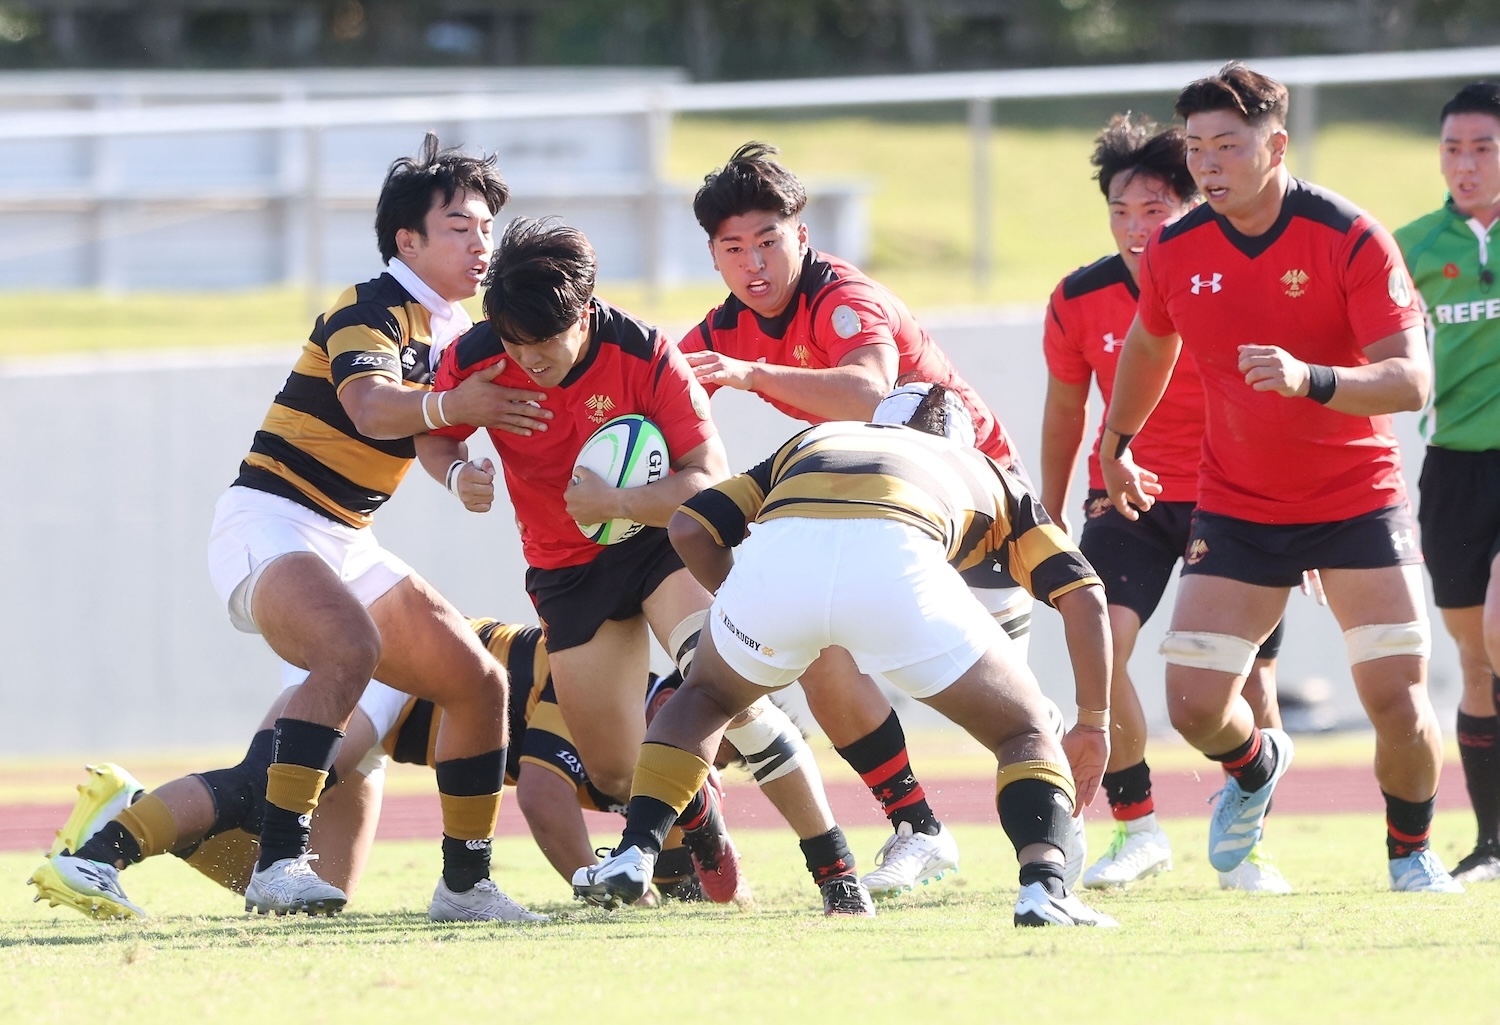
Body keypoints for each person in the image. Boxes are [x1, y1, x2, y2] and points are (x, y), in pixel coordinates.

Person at [33, 133, 565, 923]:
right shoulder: (367, 305)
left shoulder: (455, 331)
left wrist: (457, 470)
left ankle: (463, 885)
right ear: (406, 240)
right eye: (460, 226)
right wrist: (456, 410)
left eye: (486, 226)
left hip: (345, 537)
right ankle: (268, 861)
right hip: (270, 518)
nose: (480, 242)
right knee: (350, 648)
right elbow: (371, 405)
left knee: (478, 684)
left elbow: (427, 432)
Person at [421, 217, 874, 914]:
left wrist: (619, 500)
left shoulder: (646, 351)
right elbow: (434, 432)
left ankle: (835, 869)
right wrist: (456, 474)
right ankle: (703, 826)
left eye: (544, 345)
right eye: (516, 344)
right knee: (613, 770)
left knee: (723, 686)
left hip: (661, 542)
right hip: (566, 569)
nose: (529, 361)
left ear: (585, 309)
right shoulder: (479, 353)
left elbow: (709, 481)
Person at [1100, 62, 1461, 893]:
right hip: (1238, 505)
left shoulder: (1350, 235)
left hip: (1355, 501)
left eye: (1228, 145)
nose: (1209, 165)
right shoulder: (1175, 250)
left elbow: (1412, 381)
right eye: (1196, 148)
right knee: (1192, 705)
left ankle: (1412, 854)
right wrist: (1118, 440)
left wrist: (1313, 378)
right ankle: (1257, 762)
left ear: (1277, 144)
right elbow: (1151, 343)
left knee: (1397, 693)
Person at [574, 384, 1118, 927]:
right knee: (1024, 732)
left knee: (707, 696)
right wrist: (1094, 723)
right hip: (900, 568)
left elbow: (689, 526)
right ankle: (1045, 887)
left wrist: (745, 606)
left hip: (780, 569)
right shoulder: (977, 466)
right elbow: (1084, 593)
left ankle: (636, 849)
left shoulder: (814, 439)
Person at [676, 142, 1042, 897]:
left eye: (769, 241)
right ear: (713, 257)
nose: (755, 265)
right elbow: (659, 395)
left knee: (1019, 716)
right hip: (873, 521)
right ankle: (920, 827)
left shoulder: (843, 298)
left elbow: (869, 391)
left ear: (802, 236)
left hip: (974, 514)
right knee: (816, 654)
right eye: (733, 248)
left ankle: (1074, 849)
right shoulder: (721, 327)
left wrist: (748, 374)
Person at [29, 617, 830, 918]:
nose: (708, 756)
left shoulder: (675, 759)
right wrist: (616, 889)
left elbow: (708, 864)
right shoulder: (605, 688)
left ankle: (131, 807)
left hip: (397, 731)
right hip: (382, 685)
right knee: (258, 789)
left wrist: (696, 885)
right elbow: (548, 802)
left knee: (309, 889)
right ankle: (103, 850)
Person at [1040, 114, 1291, 893]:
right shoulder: (1077, 297)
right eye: (1121, 210)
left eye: (1155, 209)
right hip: (1128, 495)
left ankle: (1249, 846)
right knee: (1100, 642)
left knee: (1247, 681)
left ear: (1188, 207)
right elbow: (1063, 414)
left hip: (1239, 494)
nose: (1136, 227)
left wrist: (1313, 515)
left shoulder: (1234, 277)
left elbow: (1292, 394)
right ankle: (1138, 826)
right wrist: (1045, 519)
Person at [1394, 81, 1500, 884]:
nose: (1465, 164)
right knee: (1476, 661)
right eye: (1453, 149)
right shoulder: (1413, 248)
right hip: (1454, 471)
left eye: (1483, 148)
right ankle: (1492, 844)